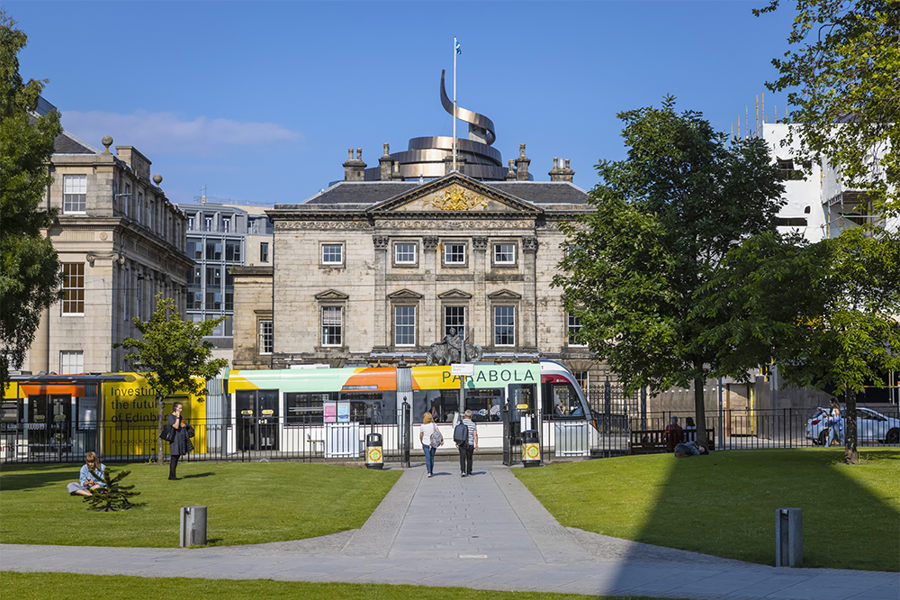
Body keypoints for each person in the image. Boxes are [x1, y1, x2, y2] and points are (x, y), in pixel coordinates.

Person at [167, 401, 193, 481]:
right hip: (174, 440)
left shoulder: (180, 416)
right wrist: (178, 417)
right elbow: (175, 426)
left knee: (176, 458)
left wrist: (185, 425)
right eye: (179, 408)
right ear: (175, 408)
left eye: (181, 408)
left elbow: (180, 426)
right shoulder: (171, 417)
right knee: (174, 458)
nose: (181, 410)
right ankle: (172, 476)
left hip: (180, 439)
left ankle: (172, 476)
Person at [419, 412, 442, 477]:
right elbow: (438, 433)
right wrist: (441, 440)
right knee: (432, 458)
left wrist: (421, 441)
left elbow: (421, 435)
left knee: (427, 458)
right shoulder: (434, 424)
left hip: (425, 443)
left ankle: (429, 472)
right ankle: (431, 471)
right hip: (433, 443)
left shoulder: (422, 426)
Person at [458, 409, 478, 477]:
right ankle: (469, 471)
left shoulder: (460, 422)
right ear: (471, 416)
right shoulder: (473, 424)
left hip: (462, 443)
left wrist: (457, 442)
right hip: (470, 443)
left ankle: (463, 471)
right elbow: (475, 434)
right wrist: (476, 444)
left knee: (462, 457)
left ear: (464, 415)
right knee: (469, 457)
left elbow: (458, 433)